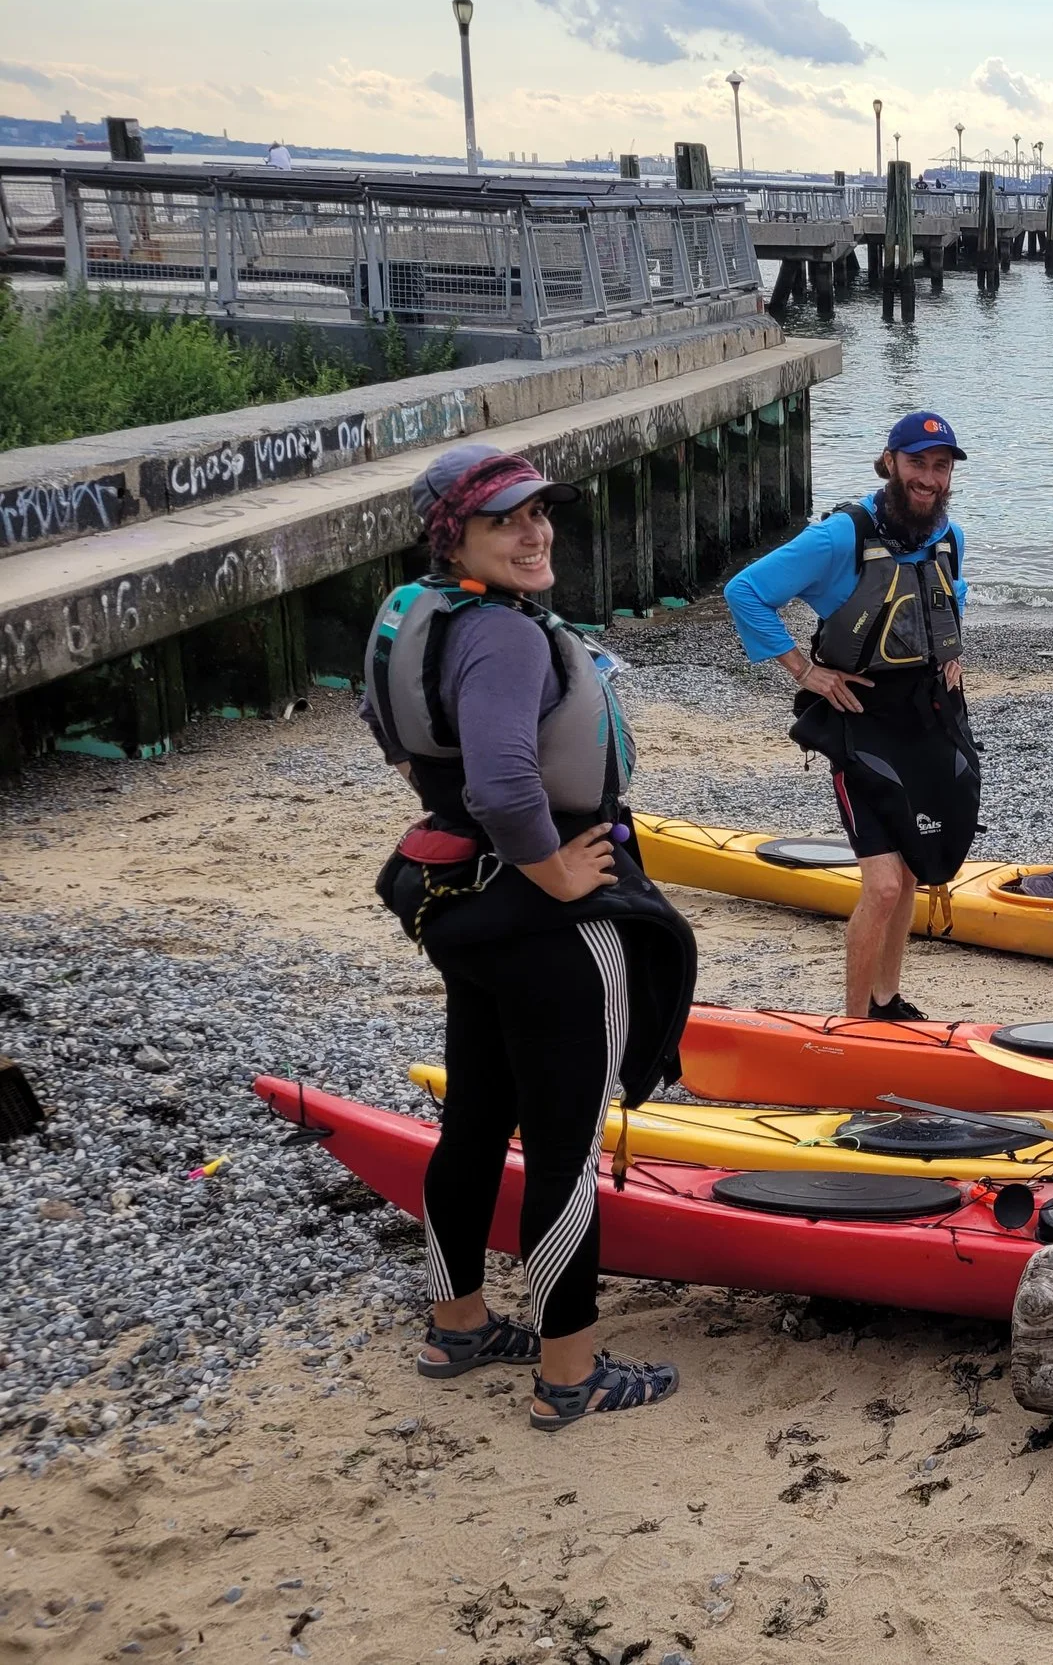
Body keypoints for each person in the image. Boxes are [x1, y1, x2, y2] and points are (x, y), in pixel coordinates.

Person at [362, 442, 696, 1430]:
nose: (534, 531)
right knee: (564, 1149)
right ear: (452, 532)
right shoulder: (503, 636)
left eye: (540, 512)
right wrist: (549, 865)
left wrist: (484, 834)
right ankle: (569, 1373)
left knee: (474, 1120)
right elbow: (507, 780)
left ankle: (457, 1322)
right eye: (506, 518)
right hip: (545, 915)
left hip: (461, 904)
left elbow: (396, 731)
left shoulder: (414, 610)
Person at [725, 413, 976, 1020]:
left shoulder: (949, 536)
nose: (930, 477)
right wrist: (804, 671)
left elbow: (950, 595)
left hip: (925, 718)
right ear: (890, 462)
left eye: (941, 466)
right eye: (918, 462)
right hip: (855, 720)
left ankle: (887, 1002)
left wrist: (952, 653)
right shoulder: (840, 537)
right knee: (884, 883)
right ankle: (855, 1021)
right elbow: (745, 591)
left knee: (913, 871)